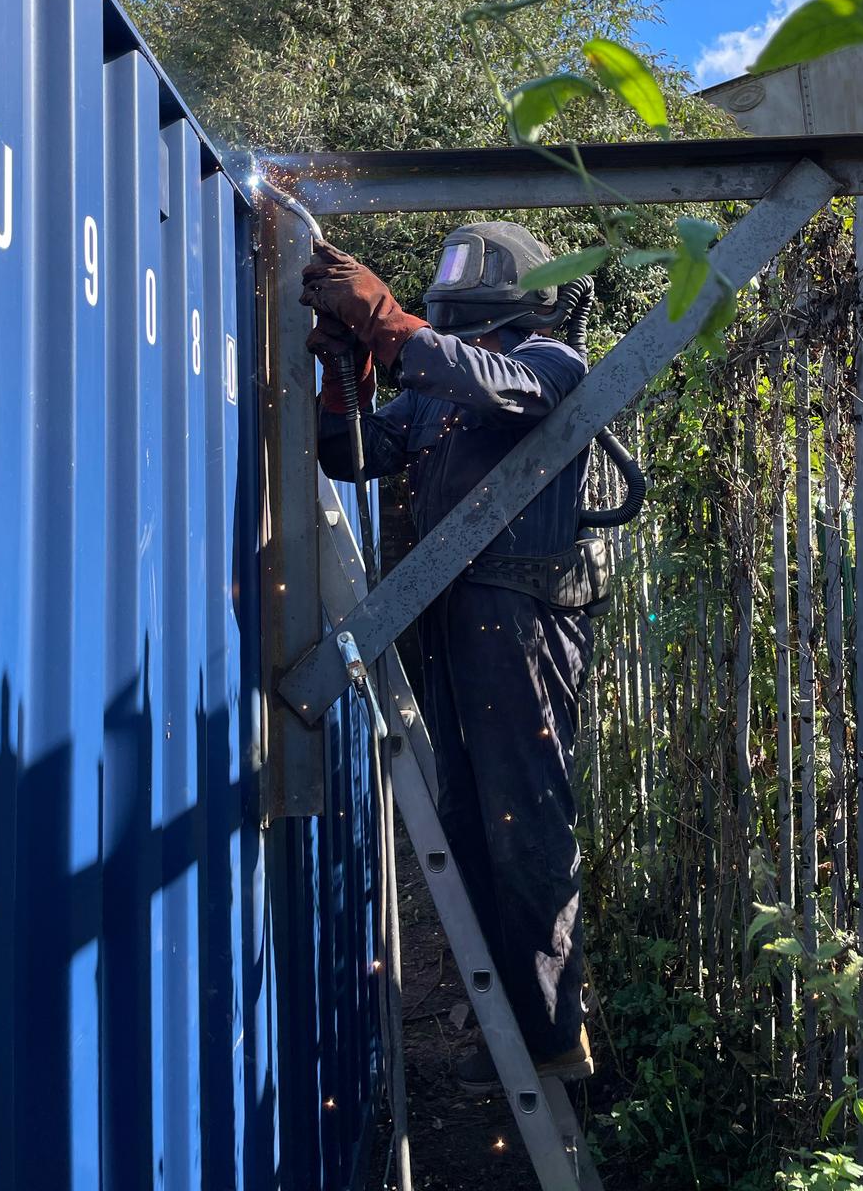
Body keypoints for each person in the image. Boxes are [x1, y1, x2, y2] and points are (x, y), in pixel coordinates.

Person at [300, 221, 597, 1091]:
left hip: (524, 614)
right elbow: (356, 456)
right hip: (450, 609)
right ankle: (510, 1024)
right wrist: (345, 370)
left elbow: (491, 382)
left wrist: (388, 323)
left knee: (527, 824)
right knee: (468, 818)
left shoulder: (555, 362)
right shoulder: (435, 379)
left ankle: (555, 1038)